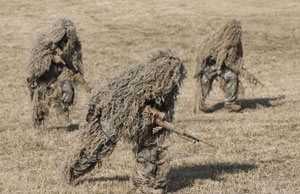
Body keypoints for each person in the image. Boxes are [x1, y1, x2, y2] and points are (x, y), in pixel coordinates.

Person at [63, 49, 186, 194]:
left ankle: (145, 184)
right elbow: (122, 103)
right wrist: (146, 111)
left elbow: (164, 110)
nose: (171, 81)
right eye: (169, 76)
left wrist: (160, 120)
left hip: (145, 125)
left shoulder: (168, 92)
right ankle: (71, 173)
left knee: (151, 150)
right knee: (93, 152)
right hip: (114, 118)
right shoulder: (138, 80)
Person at [27, 17, 86, 128]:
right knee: (40, 99)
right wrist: (53, 59)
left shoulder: (74, 45)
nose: (64, 40)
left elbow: (75, 62)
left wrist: (70, 72)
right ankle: (38, 122)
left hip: (61, 75)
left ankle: (64, 114)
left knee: (67, 92)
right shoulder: (44, 41)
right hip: (44, 76)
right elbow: (36, 62)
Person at [194, 20, 244, 113]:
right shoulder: (214, 38)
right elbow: (202, 51)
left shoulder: (236, 43)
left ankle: (229, 102)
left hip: (224, 67)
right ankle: (200, 104)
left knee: (232, 77)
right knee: (205, 81)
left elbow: (238, 57)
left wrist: (237, 66)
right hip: (210, 66)